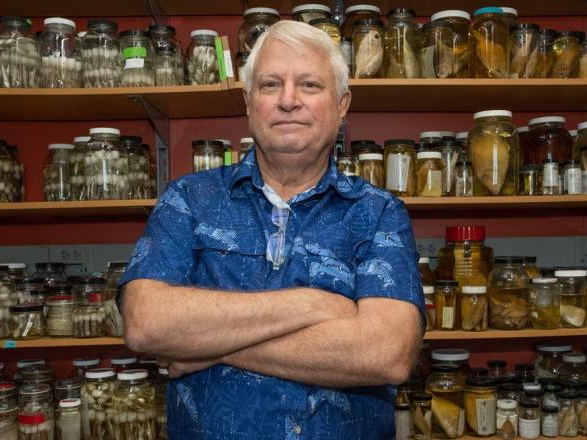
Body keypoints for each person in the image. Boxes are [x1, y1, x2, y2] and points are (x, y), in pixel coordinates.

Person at [120, 20, 424, 439]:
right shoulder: (188, 199)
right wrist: (313, 304)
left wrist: (207, 347)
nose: (288, 100)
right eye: (269, 84)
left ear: (341, 104)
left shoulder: (377, 212)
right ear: (248, 103)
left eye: (310, 85)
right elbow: (146, 323)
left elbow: (386, 354)